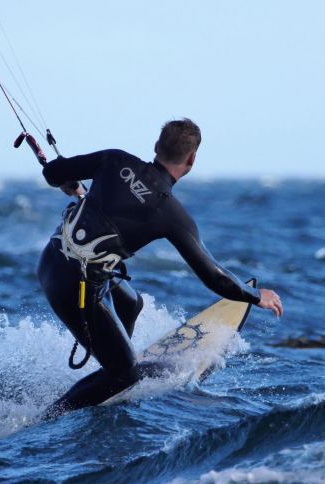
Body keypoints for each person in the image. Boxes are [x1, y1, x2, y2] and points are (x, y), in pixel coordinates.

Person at [38, 118, 282, 417]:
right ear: (191, 159)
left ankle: (111, 362)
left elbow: (52, 173)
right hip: (75, 290)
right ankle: (52, 416)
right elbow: (213, 276)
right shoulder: (170, 212)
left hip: (51, 263)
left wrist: (68, 181)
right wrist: (256, 296)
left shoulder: (115, 160)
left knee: (131, 302)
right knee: (125, 373)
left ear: (156, 146)